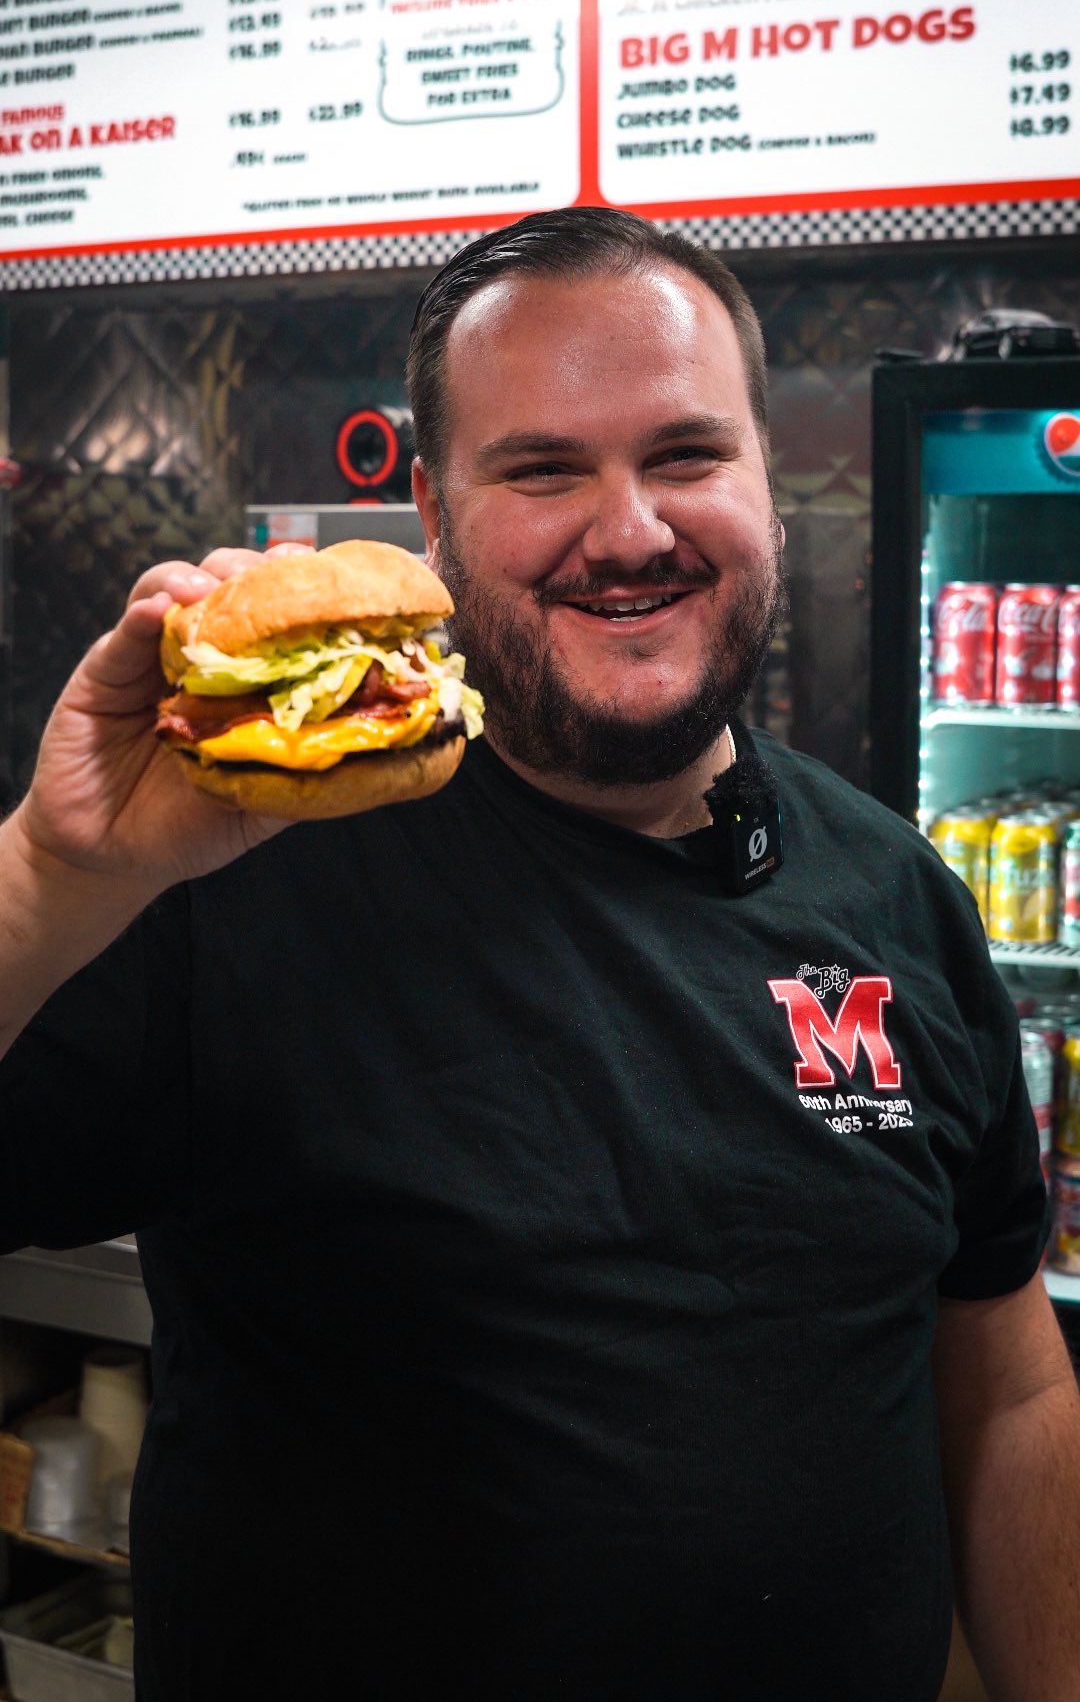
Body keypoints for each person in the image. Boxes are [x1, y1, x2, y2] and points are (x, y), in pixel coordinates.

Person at [0, 207, 1077, 1702]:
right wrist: (48, 870)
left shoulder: (895, 889)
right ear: (433, 517)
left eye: (687, 455)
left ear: (772, 483)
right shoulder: (229, 865)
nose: (629, 530)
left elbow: (1009, 1384)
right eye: (544, 469)